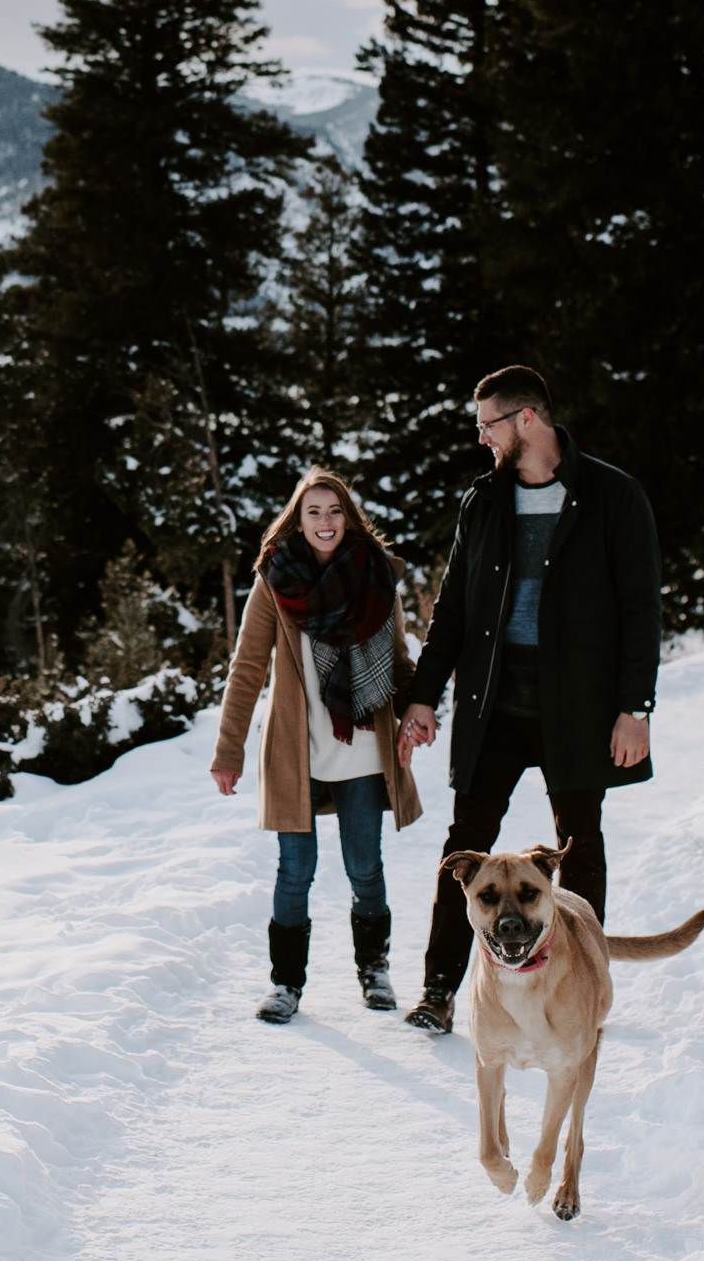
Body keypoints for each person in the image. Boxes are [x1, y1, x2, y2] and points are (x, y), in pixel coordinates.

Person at [398, 366, 660, 1033]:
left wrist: (637, 706)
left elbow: (640, 609)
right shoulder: (482, 500)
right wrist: (423, 698)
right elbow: (453, 610)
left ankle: (585, 989)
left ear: (526, 420)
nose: (482, 438)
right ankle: (438, 989)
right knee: (467, 847)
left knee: (579, 851)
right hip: (495, 706)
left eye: (488, 425)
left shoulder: (611, 494)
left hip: (578, 705)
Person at [212, 468, 426, 1023]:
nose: (325, 522)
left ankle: (374, 970)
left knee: (364, 868)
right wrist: (228, 749)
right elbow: (247, 668)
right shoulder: (275, 579)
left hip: (360, 747)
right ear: (298, 520)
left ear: (347, 517)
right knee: (293, 870)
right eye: (314, 512)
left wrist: (414, 713)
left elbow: (400, 663)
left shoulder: (377, 576)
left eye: (334, 511)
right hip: (297, 750)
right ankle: (286, 984)